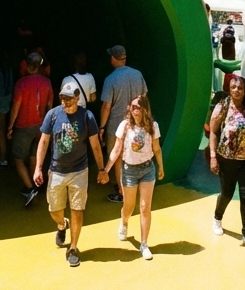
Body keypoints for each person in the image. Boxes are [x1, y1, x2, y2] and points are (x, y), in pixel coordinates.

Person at [35, 78, 106, 268]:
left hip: (79, 171)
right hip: (57, 171)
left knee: (77, 210)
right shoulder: (53, 115)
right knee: (54, 210)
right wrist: (37, 168)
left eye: (69, 98)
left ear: (77, 97)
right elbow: (43, 142)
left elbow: (95, 145)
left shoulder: (87, 116)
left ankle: (73, 248)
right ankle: (61, 225)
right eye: (62, 98)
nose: (65, 102)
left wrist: (102, 169)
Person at [104, 93, 164, 261]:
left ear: (145, 109)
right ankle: (124, 221)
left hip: (147, 169)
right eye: (132, 107)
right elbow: (116, 149)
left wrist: (160, 167)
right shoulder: (124, 126)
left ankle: (144, 244)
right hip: (129, 170)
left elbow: (157, 149)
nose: (134, 110)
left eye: (138, 107)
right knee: (129, 206)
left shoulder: (152, 126)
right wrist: (106, 170)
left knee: (145, 207)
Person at [209, 74, 245, 249]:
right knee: (227, 193)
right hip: (227, 159)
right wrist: (213, 157)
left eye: (240, 88)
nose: (236, 90)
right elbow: (214, 131)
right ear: (229, 90)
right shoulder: (223, 107)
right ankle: (217, 217)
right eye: (233, 87)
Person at [100, 45, 148, 204]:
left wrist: (101, 127)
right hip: (136, 124)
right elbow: (144, 97)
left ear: (113, 58)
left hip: (116, 126)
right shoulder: (138, 74)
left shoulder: (110, 79)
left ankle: (122, 192)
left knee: (117, 158)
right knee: (134, 155)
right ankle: (133, 187)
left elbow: (106, 106)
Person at [6, 51, 54, 206]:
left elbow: (16, 106)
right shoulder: (47, 82)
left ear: (27, 65)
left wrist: (10, 126)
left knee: (18, 159)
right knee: (35, 155)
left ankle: (30, 189)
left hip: (24, 125)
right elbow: (49, 105)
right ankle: (35, 184)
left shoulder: (21, 83)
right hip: (41, 126)